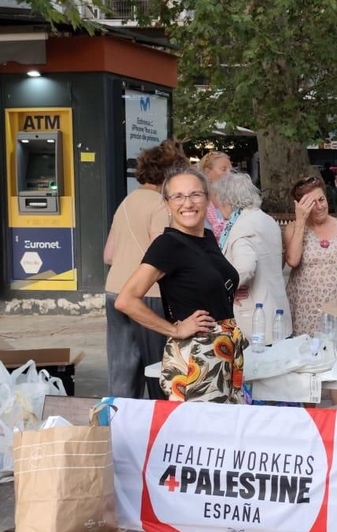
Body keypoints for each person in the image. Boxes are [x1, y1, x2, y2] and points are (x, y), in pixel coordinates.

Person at [115, 164, 246, 403]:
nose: (188, 203)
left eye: (195, 194)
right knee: (203, 434)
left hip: (223, 353)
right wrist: (175, 329)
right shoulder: (168, 245)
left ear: (208, 200)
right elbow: (126, 300)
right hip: (198, 357)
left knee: (224, 433)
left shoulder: (206, 239)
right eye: (178, 196)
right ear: (167, 203)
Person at [102, 140, 183, 398]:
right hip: (148, 294)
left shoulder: (126, 202)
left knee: (122, 371)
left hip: (114, 290)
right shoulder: (160, 205)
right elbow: (160, 252)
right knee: (157, 370)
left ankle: (117, 426)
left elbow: (108, 255)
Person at [211, 171, 290, 345]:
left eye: (218, 200)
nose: (216, 207)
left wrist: (225, 289)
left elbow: (245, 268)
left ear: (228, 199)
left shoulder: (240, 226)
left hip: (253, 314)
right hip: (276, 310)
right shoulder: (267, 220)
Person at [284, 174, 337, 336]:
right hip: (305, 312)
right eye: (312, 203)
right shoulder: (293, 229)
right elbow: (292, 260)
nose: (319, 207)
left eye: (322, 200)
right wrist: (300, 222)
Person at [200, 151, 233, 240]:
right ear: (207, 172)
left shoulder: (235, 200)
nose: (229, 174)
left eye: (230, 170)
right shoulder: (198, 203)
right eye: (224, 169)